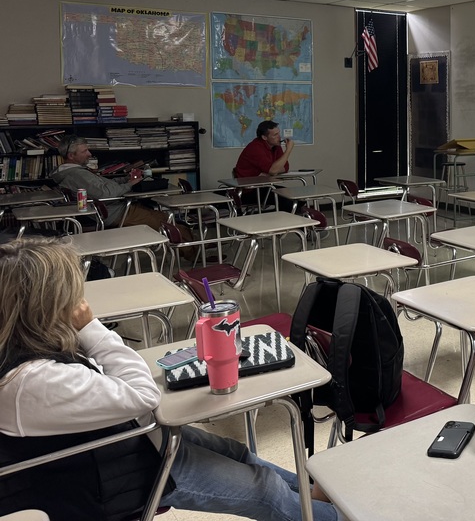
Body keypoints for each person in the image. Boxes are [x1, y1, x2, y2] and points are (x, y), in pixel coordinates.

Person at [0, 237, 341, 521]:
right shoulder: (31, 382)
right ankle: (342, 516)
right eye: (72, 294)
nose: (82, 301)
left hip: (131, 438)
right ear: (45, 307)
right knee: (265, 491)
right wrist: (90, 329)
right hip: (117, 472)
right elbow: (143, 396)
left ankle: (319, 504)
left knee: (237, 452)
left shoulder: (26, 348)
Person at [49, 135, 184, 236]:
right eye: (84, 151)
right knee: (166, 223)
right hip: (116, 213)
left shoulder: (72, 172)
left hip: (115, 210)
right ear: (71, 155)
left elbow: (103, 185)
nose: (89, 154)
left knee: (163, 217)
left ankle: (196, 247)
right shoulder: (77, 175)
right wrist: (130, 184)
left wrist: (126, 179)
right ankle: (196, 252)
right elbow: (106, 193)